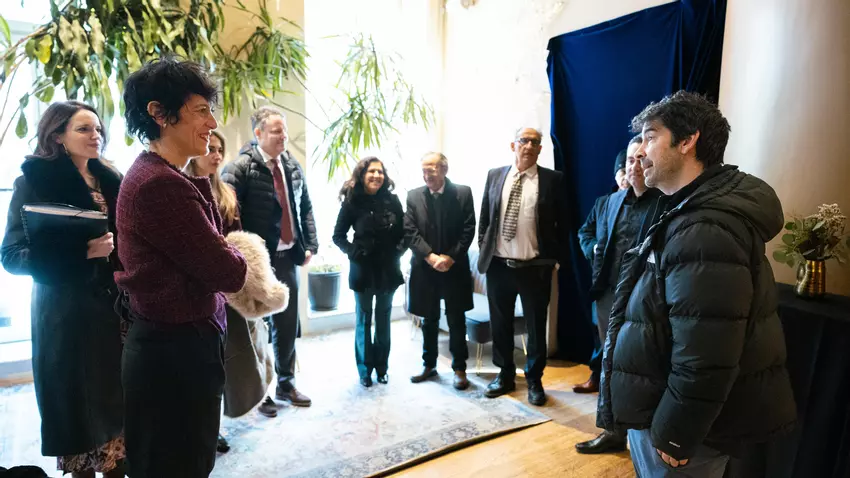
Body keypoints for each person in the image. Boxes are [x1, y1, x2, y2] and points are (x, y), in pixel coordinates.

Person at [597, 91, 797, 477]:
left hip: (684, 431)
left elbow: (707, 352)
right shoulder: (689, 211)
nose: (640, 151)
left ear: (688, 141)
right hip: (667, 411)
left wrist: (675, 433)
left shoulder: (705, 227)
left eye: (650, 136)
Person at [115, 57, 248, 478]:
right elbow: (230, 272)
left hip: (172, 347)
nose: (213, 123)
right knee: (181, 465)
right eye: (201, 111)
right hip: (175, 354)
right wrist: (238, 251)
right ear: (159, 113)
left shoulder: (161, 175)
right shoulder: (159, 185)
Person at [1, 101, 125, 478]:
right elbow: (11, 255)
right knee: (77, 415)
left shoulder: (111, 179)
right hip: (65, 314)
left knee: (119, 417)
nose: (96, 136)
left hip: (116, 310)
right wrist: (80, 252)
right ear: (57, 136)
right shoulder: (34, 181)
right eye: (84, 129)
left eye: (98, 129)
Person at [222, 106, 318, 412]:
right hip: (257, 264)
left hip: (288, 257)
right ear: (258, 133)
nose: (283, 136)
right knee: (257, 329)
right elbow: (227, 216)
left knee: (287, 324)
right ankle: (261, 392)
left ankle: (286, 384)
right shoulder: (239, 168)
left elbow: (305, 207)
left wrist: (310, 243)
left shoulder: (291, 164)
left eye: (284, 130)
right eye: (277, 131)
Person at [185, 131, 276, 450]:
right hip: (200, 290)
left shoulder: (226, 193)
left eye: (219, 149)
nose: (216, 155)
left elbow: (236, 239)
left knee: (234, 357)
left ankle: (221, 420)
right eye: (210, 148)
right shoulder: (183, 189)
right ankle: (204, 428)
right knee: (204, 366)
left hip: (229, 288)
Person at [574, 135, 663, 455]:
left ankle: (644, 437)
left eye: (641, 158)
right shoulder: (610, 202)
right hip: (607, 296)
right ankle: (613, 431)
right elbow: (587, 233)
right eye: (630, 160)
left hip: (644, 301)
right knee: (609, 365)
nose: (635, 165)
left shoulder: (663, 204)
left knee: (638, 368)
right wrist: (593, 250)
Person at [477, 127, 569, 406]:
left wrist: (554, 260)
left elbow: (563, 223)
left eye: (534, 142)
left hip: (535, 268)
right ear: (513, 145)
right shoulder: (495, 175)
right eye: (524, 140)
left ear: (540, 149)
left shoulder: (553, 180)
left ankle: (534, 380)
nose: (528, 145)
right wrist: (485, 247)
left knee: (536, 327)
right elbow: (485, 218)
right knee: (500, 324)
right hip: (499, 267)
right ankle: (504, 375)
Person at [404, 152, 476, 390]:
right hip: (426, 268)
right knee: (429, 318)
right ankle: (429, 365)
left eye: (431, 171)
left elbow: (468, 228)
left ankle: (459, 369)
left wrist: (450, 257)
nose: (427, 176)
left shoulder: (462, 193)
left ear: (444, 169)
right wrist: (430, 256)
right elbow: (410, 231)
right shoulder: (414, 196)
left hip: (454, 267)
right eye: (423, 171)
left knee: (456, 319)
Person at [332, 157, 405, 387]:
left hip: (388, 269)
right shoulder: (352, 202)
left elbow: (404, 232)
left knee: (383, 318)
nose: (376, 175)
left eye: (380, 172)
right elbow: (338, 236)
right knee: (363, 318)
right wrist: (354, 252)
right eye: (371, 171)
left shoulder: (393, 200)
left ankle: (382, 368)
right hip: (363, 269)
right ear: (362, 175)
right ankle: (364, 370)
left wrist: (398, 252)